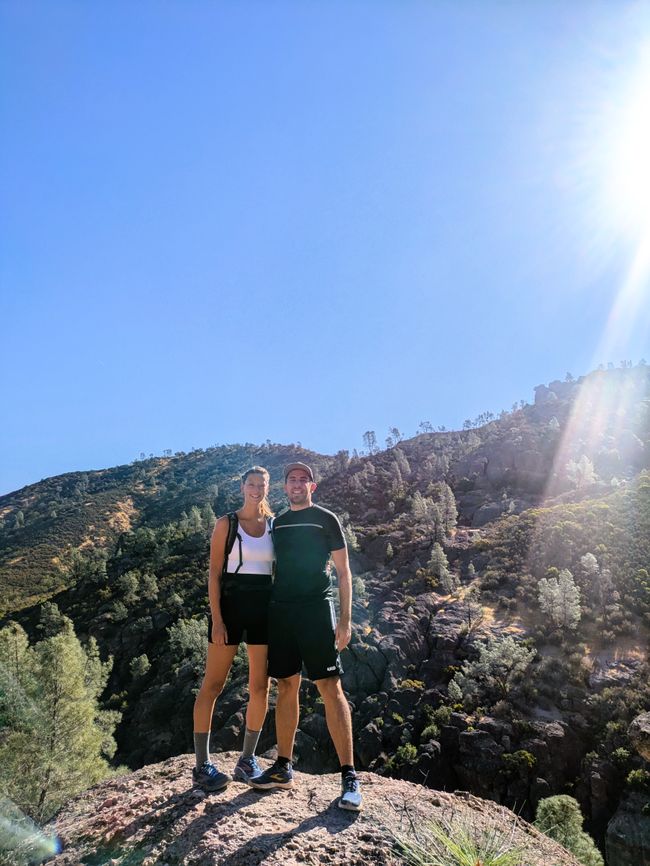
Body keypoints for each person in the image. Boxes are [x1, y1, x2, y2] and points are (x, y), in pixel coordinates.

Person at [250, 462, 362, 811]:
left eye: (304, 480)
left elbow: (344, 573)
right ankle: (284, 767)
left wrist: (344, 620)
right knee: (286, 685)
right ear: (285, 487)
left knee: (330, 687)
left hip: (316, 610)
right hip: (282, 612)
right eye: (292, 480)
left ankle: (349, 776)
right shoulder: (278, 524)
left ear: (312, 487)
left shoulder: (326, 519)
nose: (298, 484)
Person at [192, 466, 274, 791]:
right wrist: (218, 619)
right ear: (242, 487)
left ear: (268, 488)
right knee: (213, 684)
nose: (256, 489)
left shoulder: (273, 525)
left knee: (260, 688)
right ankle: (202, 766)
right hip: (229, 608)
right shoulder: (227, 524)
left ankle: (247, 761)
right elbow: (213, 573)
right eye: (251, 484)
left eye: (261, 485)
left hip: (263, 611)